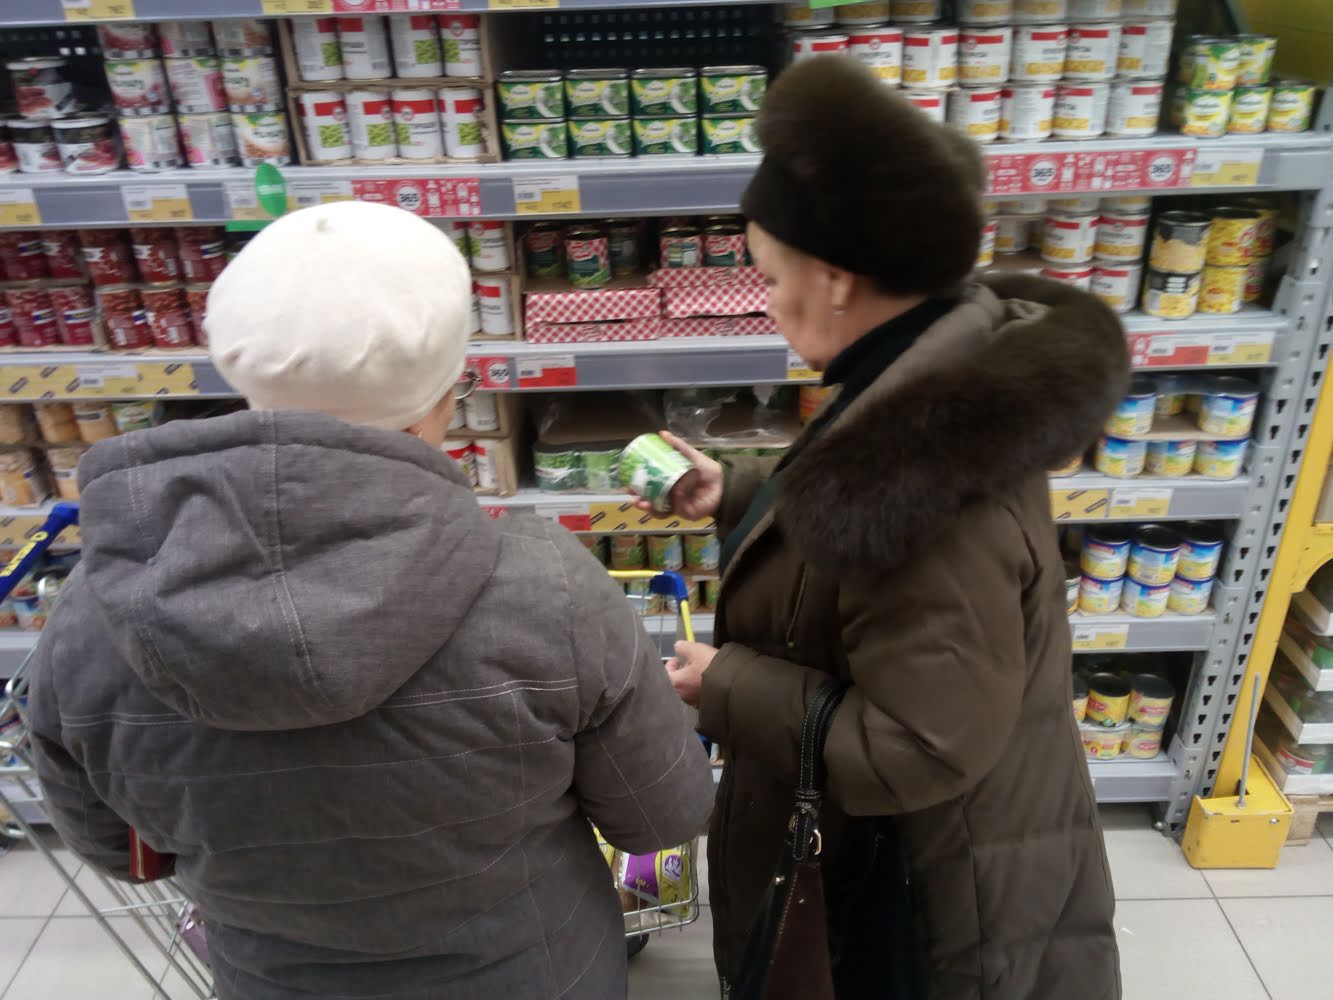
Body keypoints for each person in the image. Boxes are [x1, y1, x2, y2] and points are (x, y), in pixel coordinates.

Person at [26, 201, 714, 1000]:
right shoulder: (549, 588)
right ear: (444, 392)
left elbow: (121, 852)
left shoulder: (94, 616)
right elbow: (659, 817)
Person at [649, 57, 1126, 999]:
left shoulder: (931, 489)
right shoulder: (932, 372)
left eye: (769, 276)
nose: (765, 301)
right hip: (915, 853)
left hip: (920, 901)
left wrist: (724, 683)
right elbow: (854, 522)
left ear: (833, 280)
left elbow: (917, 747)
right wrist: (743, 497)